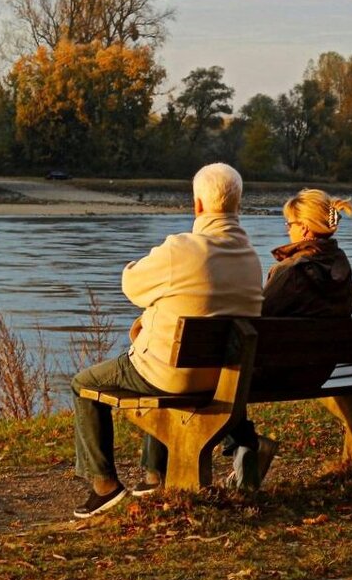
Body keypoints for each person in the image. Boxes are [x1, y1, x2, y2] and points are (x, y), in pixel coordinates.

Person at [71, 163, 263, 518]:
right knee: (164, 350)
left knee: (84, 383)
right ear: (237, 205)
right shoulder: (251, 258)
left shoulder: (180, 249)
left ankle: (103, 485)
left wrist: (138, 271)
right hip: (227, 380)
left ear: (198, 206)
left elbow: (131, 285)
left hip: (173, 376)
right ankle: (154, 474)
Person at [224, 187, 352, 488]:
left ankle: (246, 443)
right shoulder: (341, 266)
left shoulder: (291, 271)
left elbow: (253, 323)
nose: (288, 230)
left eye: (290, 224)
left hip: (280, 374)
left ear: (305, 228)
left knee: (218, 367)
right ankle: (246, 446)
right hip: (319, 371)